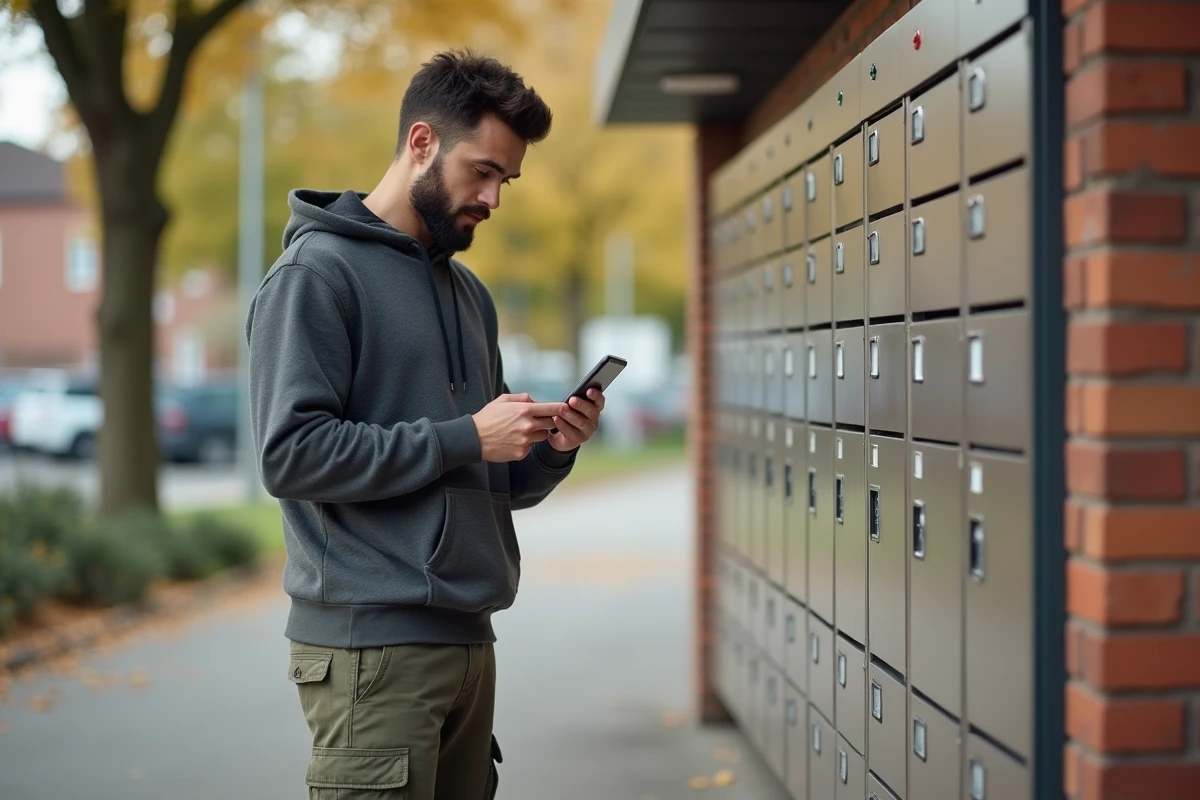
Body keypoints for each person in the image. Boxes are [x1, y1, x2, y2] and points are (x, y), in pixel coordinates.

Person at [245, 49, 605, 800]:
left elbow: (491, 477)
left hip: (469, 639)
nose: (493, 198)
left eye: (506, 180)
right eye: (482, 171)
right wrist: (466, 435)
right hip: (371, 648)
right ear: (421, 142)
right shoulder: (316, 276)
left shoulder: (470, 295)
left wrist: (550, 449)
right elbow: (292, 456)